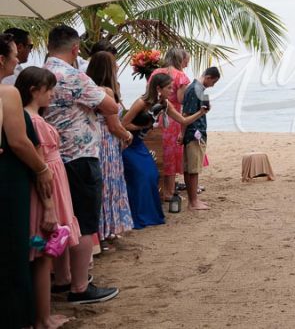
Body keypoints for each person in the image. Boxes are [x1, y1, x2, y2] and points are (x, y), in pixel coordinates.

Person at [43, 25, 121, 304]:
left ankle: (62, 278)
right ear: (76, 49)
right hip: (79, 157)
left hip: (50, 160)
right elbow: (111, 107)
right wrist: (102, 91)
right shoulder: (74, 76)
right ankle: (80, 287)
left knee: (61, 220)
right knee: (85, 222)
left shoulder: (40, 74)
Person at [17, 67, 81, 329]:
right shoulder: (33, 122)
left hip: (53, 185)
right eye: (49, 89)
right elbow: (40, 167)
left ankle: (42, 314)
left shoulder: (31, 119)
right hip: (47, 190)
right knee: (43, 255)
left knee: (44, 254)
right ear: (34, 91)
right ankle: (43, 318)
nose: (52, 95)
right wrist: (49, 208)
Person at [0, 34, 53, 328]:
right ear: (1, 60)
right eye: (13, 55)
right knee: (10, 248)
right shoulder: (7, 94)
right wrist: (42, 169)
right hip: (9, 178)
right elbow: (20, 143)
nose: (18, 59)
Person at [122, 73, 207, 225]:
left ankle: (149, 214)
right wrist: (143, 126)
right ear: (158, 88)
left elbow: (182, 120)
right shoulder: (141, 103)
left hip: (139, 144)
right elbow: (123, 124)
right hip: (128, 145)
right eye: (169, 88)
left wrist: (200, 113)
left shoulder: (164, 104)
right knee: (142, 176)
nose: (172, 91)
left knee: (153, 174)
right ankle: (135, 215)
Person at [86, 52, 134, 243]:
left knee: (102, 187)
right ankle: (105, 233)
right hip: (108, 143)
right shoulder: (106, 91)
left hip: (97, 140)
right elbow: (114, 124)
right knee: (109, 187)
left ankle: (101, 232)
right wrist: (128, 135)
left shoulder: (90, 88)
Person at [149, 47, 190, 199]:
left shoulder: (155, 73)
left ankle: (160, 189)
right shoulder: (181, 76)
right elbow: (181, 100)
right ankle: (169, 192)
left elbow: (150, 94)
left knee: (160, 153)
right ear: (180, 59)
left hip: (157, 115)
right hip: (173, 118)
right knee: (171, 155)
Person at [182, 67, 220, 210]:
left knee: (189, 168)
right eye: (213, 82)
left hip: (192, 132)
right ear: (208, 77)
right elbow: (185, 114)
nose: (213, 85)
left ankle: (192, 200)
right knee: (193, 169)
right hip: (194, 133)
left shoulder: (196, 89)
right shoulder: (195, 90)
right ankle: (193, 201)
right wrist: (182, 133)